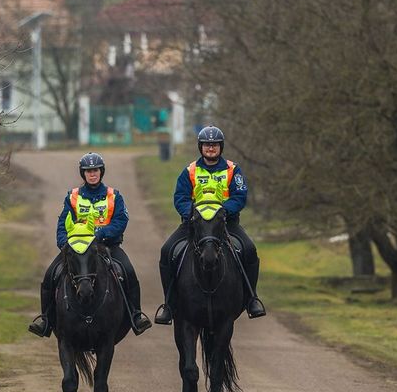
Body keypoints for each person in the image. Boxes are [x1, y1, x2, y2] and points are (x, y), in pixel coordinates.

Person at [29, 152, 153, 337]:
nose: (92, 174)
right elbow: (63, 223)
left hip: (107, 247)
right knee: (50, 275)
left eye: (95, 170)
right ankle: (45, 320)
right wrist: (64, 244)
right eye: (88, 171)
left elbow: (120, 220)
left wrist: (101, 234)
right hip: (77, 250)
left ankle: (136, 315)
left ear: (101, 172)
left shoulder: (114, 196)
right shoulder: (73, 196)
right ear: (83, 173)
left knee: (128, 272)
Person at [153, 126, 266, 325]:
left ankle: (252, 299)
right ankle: (169, 304)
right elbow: (180, 198)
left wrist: (222, 212)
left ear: (220, 147)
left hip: (225, 224)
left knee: (249, 250)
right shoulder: (190, 171)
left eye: (214, 145)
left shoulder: (233, 169)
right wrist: (192, 214)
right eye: (207, 145)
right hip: (194, 225)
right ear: (201, 147)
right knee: (167, 251)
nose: (211, 148)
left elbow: (239, 196)